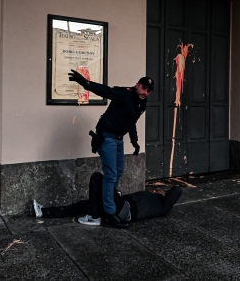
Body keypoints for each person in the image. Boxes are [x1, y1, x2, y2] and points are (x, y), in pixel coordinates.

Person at [68, 70, 154, 229]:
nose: (145, 92)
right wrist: (86, 84)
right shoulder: (124, 94)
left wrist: (134, 141)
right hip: (107, 136)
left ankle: (109, 201)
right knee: (111, 173)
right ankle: (109, 214)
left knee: (119, 170)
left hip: (118, 138)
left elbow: (131, 121)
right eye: (143, 88)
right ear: (137, 85)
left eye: (148, 91)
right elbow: (106, 90)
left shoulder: (142, 103)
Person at [33, 172, 182, 228]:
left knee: (98, 178)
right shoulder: (152, 198)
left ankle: (94, 218)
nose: (155, 190)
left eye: (160, 191)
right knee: (81, 205)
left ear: (165, 195)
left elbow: (178, 190)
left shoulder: (163, 206)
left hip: (123, 211)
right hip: (115, 205)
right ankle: (43, 212)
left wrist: (164, 193)